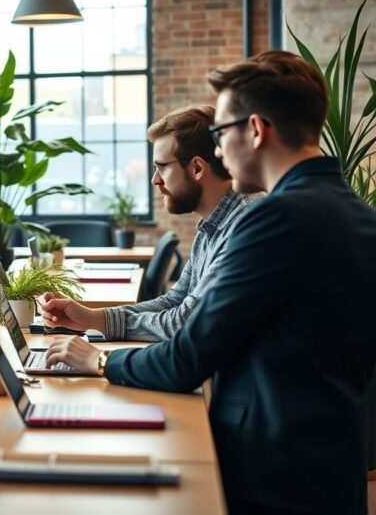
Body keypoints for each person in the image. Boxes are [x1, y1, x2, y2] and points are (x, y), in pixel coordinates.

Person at [45, 51, 376, 514]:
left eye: (221, 134)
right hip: (329, 471)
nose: (218, 151)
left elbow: (189, 355)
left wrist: (99, 364)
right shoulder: (359, 215)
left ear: (256, 130)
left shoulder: (274, 219)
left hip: (272, 476)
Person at [39, 105, 258, 341]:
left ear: (197, 168)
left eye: (162, 167)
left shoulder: (243, 227)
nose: (155, 180)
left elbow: (184, 323)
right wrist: (91, 317)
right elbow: (174, 301)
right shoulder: (211, 227)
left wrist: (99, 343)